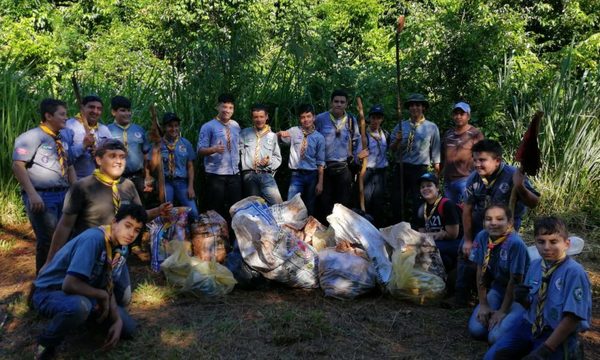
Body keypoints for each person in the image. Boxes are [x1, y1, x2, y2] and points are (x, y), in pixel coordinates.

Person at [32, 204, 146, 360]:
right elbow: (69, 284)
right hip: (51, 291)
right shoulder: (94, 239)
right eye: (128, 226)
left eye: (137, 230)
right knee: (80, 307)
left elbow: (108, 284)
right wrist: (102, 295)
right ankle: (46, 343)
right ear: (114, 222)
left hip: (82, 292)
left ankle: (85, 320)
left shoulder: (121, 248)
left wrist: (117, 320)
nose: (131, 234)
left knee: (127, 329)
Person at [46, 139, 170, 266]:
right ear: (99, 160)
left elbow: (139, 217)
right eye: (112, 156)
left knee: (117, 285)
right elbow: (65, 226)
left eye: (122, 157)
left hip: (118, 254)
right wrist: (51, 260)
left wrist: (158, 211)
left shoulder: (128, 185)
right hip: (88, 253)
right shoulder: (82, 186)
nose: (118, 161)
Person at [486, 217, 591, 360]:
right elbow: (531, 304)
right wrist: (522, 299)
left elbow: (572, 319)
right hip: (529, 325)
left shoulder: (574, 272)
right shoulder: (535, 266)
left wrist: (545, 350)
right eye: (541, 242)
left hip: (555, 333)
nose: (546, 247)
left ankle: (570, 350)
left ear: (566, 244)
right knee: (493, 357)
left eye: (553, 241)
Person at [456, 139, 540, 306]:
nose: (477, 164)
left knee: (501, 260)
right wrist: (467, 239)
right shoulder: (474, 179)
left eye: (482, 160)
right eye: (475, 160)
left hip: (507, 228)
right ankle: (461, 296)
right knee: (464, 253)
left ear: (497, 160)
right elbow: (467, 210)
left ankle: (502, 296)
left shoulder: (512, 174)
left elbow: (534, 202)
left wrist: (520, 187)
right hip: (481, 225)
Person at [12, 99, 76, 273]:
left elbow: (69, 165)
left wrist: (76, 190)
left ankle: (62, 277)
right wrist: (32, 194)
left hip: (64, 194)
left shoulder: (64, 136)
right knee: (48, 240)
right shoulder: (31, 137)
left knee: (66, 236)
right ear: (48, 116)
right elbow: (18, 165)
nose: (66, 118)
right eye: (62, 114)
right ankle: (43, 281)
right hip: (43, 196)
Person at [468, 204, 529, 345]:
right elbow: (480, 271)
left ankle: (523, 318)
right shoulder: (482, 236)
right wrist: (483, 304)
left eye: (499, 219)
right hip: (498, 289)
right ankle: (498, 314)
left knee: (494, 338)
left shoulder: (515, 244)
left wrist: (502, 311)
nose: (493, 223)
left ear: (510, 222)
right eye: (488, 219)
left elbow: (515, 280)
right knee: (476, 330)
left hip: (518, 296)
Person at [390, 93, 441, 222]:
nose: (414, 108)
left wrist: (436, 172)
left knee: (418, 200)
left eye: (418, 105)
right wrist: (397, 141)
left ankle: (418, 229)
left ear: (423, 107)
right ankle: (398, 228)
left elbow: (435, 150)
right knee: (397, 199)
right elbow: (392, 149)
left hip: (420, 169)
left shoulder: (431, 127)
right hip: (402, 167)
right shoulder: (401, 126)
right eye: (412, 105)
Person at [314, 89, 360, 220]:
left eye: (342, 102)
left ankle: (340, 233)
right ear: (331, 102)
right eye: (336, 101)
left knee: (343, 203)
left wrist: (357, 158)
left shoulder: (351, 120)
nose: (339, 104)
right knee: (324, 202)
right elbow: (312, 136)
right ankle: (324, 233)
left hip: (344, 167)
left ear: (346, 104)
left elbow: (357, 140)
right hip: (325, 168)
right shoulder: (321, 118)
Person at [197, 93, 242, 222]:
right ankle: (216, 238)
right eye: (224, 107)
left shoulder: (235, 125)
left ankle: (234, 238)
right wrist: (214, 149)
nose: (227, 110)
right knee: (215, 209)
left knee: (236, 208)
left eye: (230, 108)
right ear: (217, 107)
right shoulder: (208, 126)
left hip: (234, 173)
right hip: (216, 174)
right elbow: (200, 150)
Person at [278, 104, 325, 216]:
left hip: (312, 175)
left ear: (314, 117)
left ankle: (308, 230)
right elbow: (278, 138)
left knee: (310, 205)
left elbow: (320, 162)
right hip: (296, 174)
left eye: (308, 116)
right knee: (291, 204)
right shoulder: (294, 131)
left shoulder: (319, 137)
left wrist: (320, 182)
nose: (306, 120)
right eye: (303, 117)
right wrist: (280, 134)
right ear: (299, 119)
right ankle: (289, 230)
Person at [414, 173, 462, 274]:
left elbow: (453, 235)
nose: (425, 188)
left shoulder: (447, 205)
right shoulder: (421, 209)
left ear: (437, 187)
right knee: (444, 260)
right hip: (437, 243)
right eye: (422, 187)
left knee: (423, 250)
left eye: (429, 185)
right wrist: (438, 234)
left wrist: (430, 236)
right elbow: (422, 236)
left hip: (456, 243)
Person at [156, 112, 199, 221]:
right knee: (166, 212)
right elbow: (150, 166)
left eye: (176, 126)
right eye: (170, 126)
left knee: (193, 213)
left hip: (182, 182)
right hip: (165, 182)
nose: (174, 129)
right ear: (164, 127)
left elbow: (190, 166)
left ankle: (191, 233)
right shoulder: (158, 145)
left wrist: (191, 187)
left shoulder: (185, 143)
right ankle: (167, 234)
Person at [107, 96, 151, 198]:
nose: (127, 114)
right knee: (121, 208)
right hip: (116, 178)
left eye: (128, 110)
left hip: (138, 177)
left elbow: (146, 154)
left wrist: (147, 176)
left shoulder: (139, 130)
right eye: (123, 110)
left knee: (140, 208)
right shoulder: (107, 131)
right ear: (113, 112)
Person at [239, 104, 283, 205]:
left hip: (266, 175)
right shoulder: (244, 133)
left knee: (278, 204)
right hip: (249, 175)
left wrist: (269, 162)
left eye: (261, 116)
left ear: (267, 117)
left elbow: (277, 157)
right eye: (256, 117)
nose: (259, 120)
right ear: (252, 118)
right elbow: (237, 153)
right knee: (256, 206)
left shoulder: (272, 136)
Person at [441, 102, 483, 204]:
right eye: (456, 114)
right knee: (451, 213)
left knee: (466, 212)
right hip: (448, 182)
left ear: (468, 116)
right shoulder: (448, 134)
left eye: (462, 114)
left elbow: (482, 156)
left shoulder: (475, 134)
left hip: (466, 180)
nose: (458, 116)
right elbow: (442, 156)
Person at [354, 104, 389, 227]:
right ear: (369, 118)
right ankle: (363, 230)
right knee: (365, 202)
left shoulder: (385, 134)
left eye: (378, 118)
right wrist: (359, 156)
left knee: (378, 203)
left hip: (381, 173)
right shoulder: (363, 135)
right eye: (373, 117)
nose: (375, 120)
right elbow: (356, 157)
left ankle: (378, 230)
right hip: (367, 172)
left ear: (382, 119)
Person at [66, 95, 112, 179]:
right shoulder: (69, 126)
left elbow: (113, 153)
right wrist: (83, 146)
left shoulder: (104, 129)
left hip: (100, 180)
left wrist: (100, 153)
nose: (95, 111)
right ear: (82, 108)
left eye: (99, 109)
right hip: (77, 181)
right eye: (91, 107)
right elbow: (63, 156)